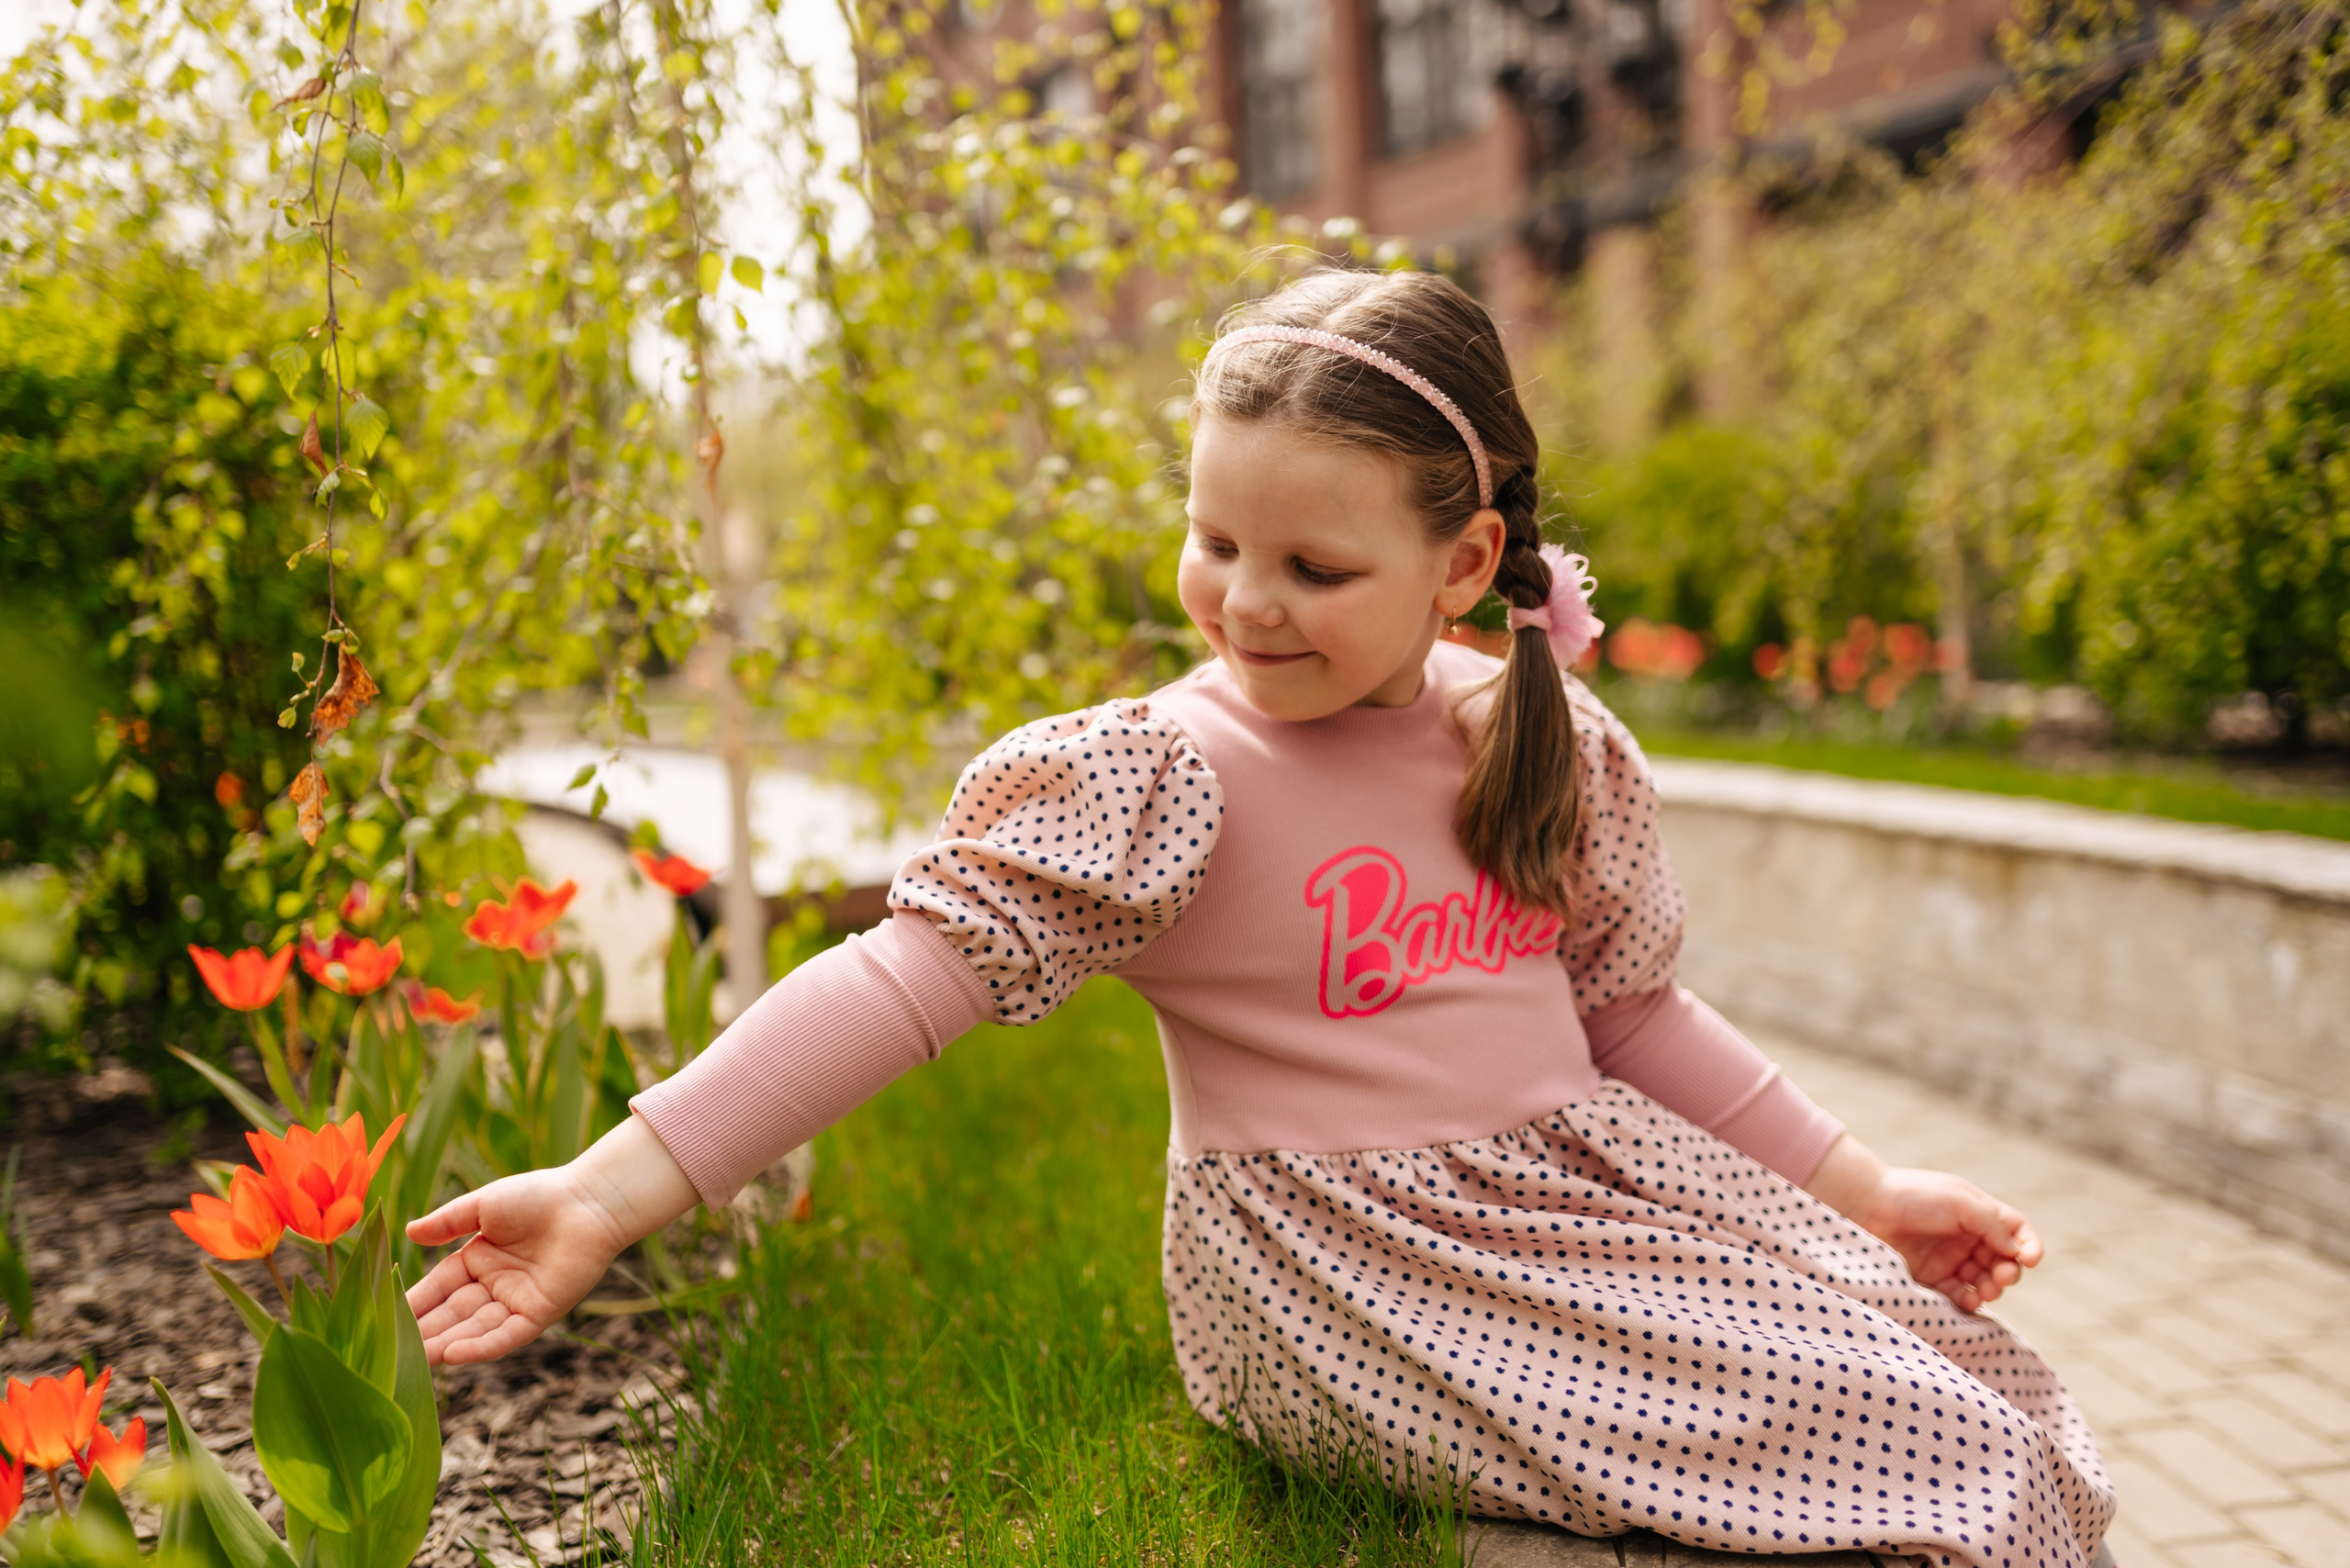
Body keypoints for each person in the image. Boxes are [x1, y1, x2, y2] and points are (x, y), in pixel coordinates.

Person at [405, 269, 2115, 1567]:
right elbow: (892, 989)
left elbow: (1628, 1017)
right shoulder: (1161, 779)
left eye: (1314, 568)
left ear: (1464, 566)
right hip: (1350, 1278)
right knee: (1922, 1457)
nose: (1245, 603)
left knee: (1990, 1394)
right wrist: (609, 1193)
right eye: (1215, 541)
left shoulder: (1539, 731)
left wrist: (1872, 1192)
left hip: (1575, 1200)